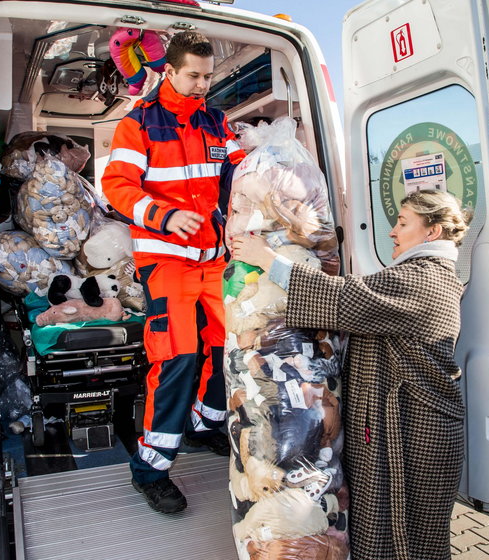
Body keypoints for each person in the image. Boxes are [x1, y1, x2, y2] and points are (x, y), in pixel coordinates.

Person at [232, 190, 469, 560]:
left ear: (432, 232)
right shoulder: (422, 275)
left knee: (408, 543)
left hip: (413, 435)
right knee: (395, 538)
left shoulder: (424, 279)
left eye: (403, 223)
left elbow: (344, 299)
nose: (393, 231)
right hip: (405, 429)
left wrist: (268, 260)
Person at [102, 31, 245, 514]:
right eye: (194, 76)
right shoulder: (138, 123)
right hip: (166, 260)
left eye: (208, 76)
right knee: (179, 358)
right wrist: (163, 216)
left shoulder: (218, 123)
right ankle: (151, 468)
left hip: (215, 261)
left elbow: (240, 176)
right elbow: (117, 186)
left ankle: (206, 427)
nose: (203, 84)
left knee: (228, 350)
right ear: (170, 69)